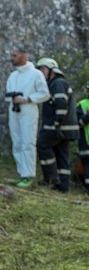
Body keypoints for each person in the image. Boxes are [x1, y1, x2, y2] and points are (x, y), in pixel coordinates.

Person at [4, 48, 50, 188]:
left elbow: (45, 94)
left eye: (15, 55)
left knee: (27, 142)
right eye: (11, 55)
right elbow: (8, 94)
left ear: (24, 56)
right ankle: (21, 173)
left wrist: (27, 99)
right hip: (14, 111)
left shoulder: (35, 74)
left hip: (28, 111)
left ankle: (28, 175)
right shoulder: (13, 76)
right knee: (17, 142)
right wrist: (13, 99)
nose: (12, 58)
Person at [35, 58, 79, 192]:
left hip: (59, 127)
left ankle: (51, 177)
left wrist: (56, 124)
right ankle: (63, 186)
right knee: (62, 156)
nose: (40, 73)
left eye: (42, 69)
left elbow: (61, 105)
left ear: (52, 71)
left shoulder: (57, 83)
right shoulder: (57, 83)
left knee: (42, 146)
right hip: (66, 129)